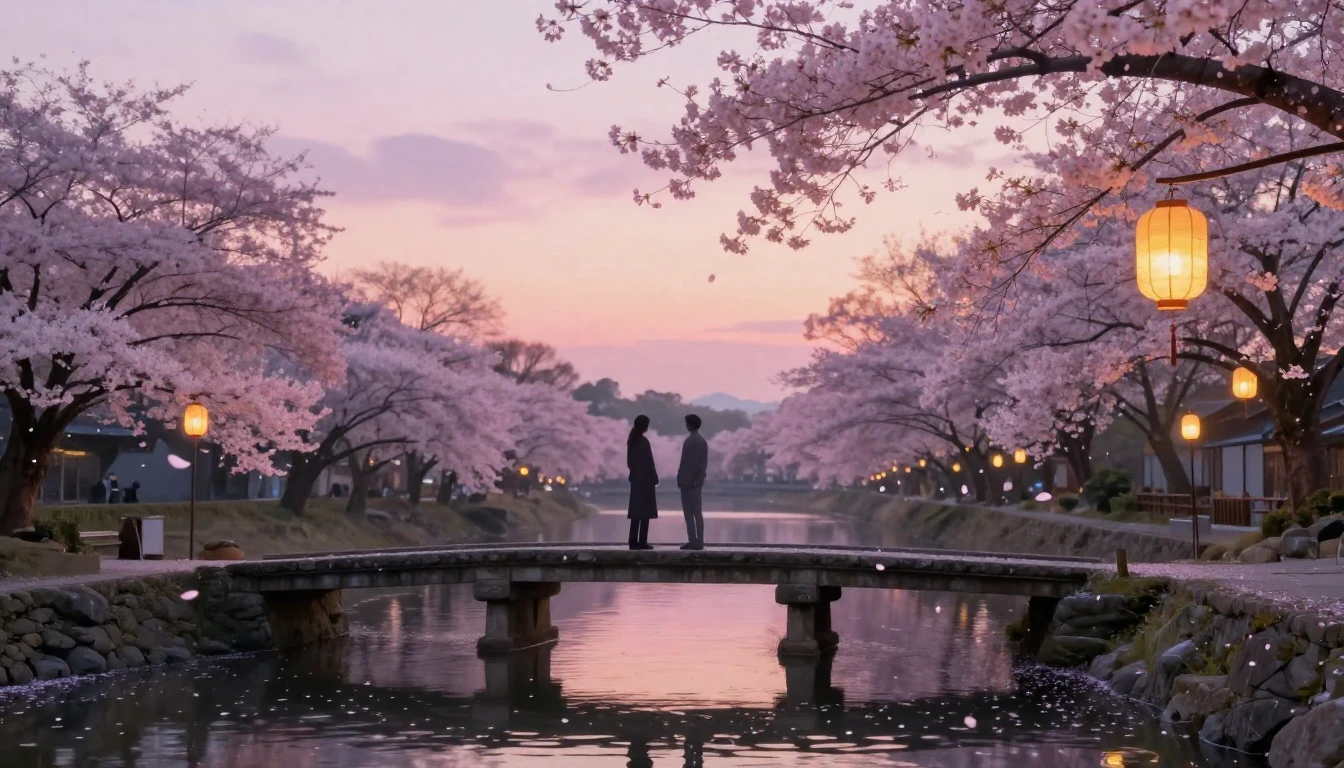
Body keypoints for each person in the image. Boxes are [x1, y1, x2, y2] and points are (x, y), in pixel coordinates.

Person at [677, 413, 709, 549]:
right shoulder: (702, 441)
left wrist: (681, 478)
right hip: (696, 482)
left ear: (689, 425)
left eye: (686, 423)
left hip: (688, 481)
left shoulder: (690, 441)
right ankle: (699, 540)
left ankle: (693, 540)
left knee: (689, 513)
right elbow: (703, 463)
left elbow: (684, 463)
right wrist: (700, 478)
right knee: (697, 512)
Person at [626, 414, 658, 550]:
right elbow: (649, 462)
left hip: (635, 480)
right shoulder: (644, 441)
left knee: (636, 512)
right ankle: (642, 541)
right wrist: (654, 476)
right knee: (645, 512)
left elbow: (630, 462)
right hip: (646, 480)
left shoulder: (631, 441)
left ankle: (633, 541)